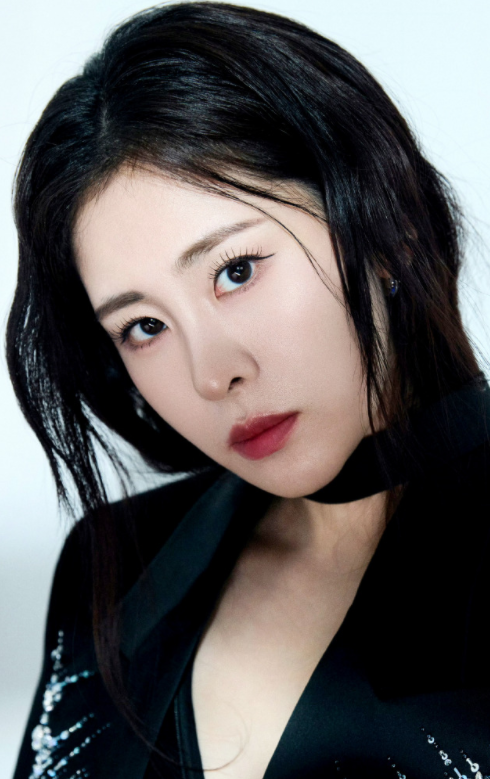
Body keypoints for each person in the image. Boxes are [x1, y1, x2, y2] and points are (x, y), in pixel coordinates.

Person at [7, 2, 490, 778]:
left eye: (235, 271)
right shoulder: (117, 567)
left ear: (387, 227)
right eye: (143, 326)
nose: (211, 374)